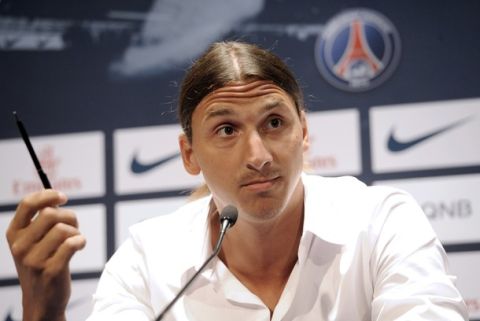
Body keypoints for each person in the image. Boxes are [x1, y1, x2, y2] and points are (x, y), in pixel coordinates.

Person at [6, 41, 468, 321]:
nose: (259, 156)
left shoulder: (382, 222)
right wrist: (43, 312)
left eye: (273, 123)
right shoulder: (146, 261)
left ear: (303, 133)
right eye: (226, 130)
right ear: (189, 155)